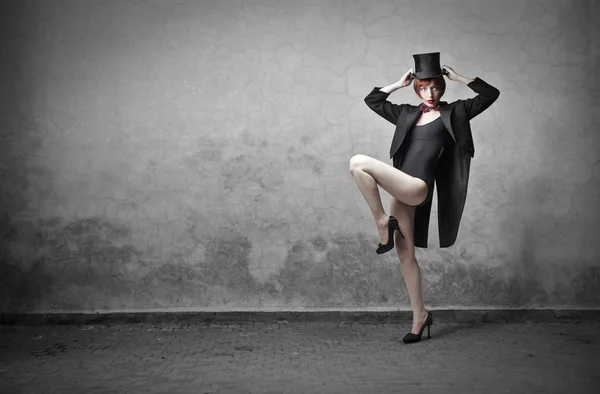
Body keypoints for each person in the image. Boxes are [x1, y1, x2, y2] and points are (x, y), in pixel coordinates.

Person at [349, 52, 500, 343]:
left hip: (418, 187)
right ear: (416, 87)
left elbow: (490, 94)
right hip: (400, 190)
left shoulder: (455, 112)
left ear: (442, 88)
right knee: (405, 255)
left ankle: (382, 221)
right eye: (423, 88)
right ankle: (420, 315)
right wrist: (397, 84)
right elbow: (373, 101)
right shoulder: (406, 113)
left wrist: (459, 78)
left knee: (357, 162)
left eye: (435, 87)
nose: (430, 93)